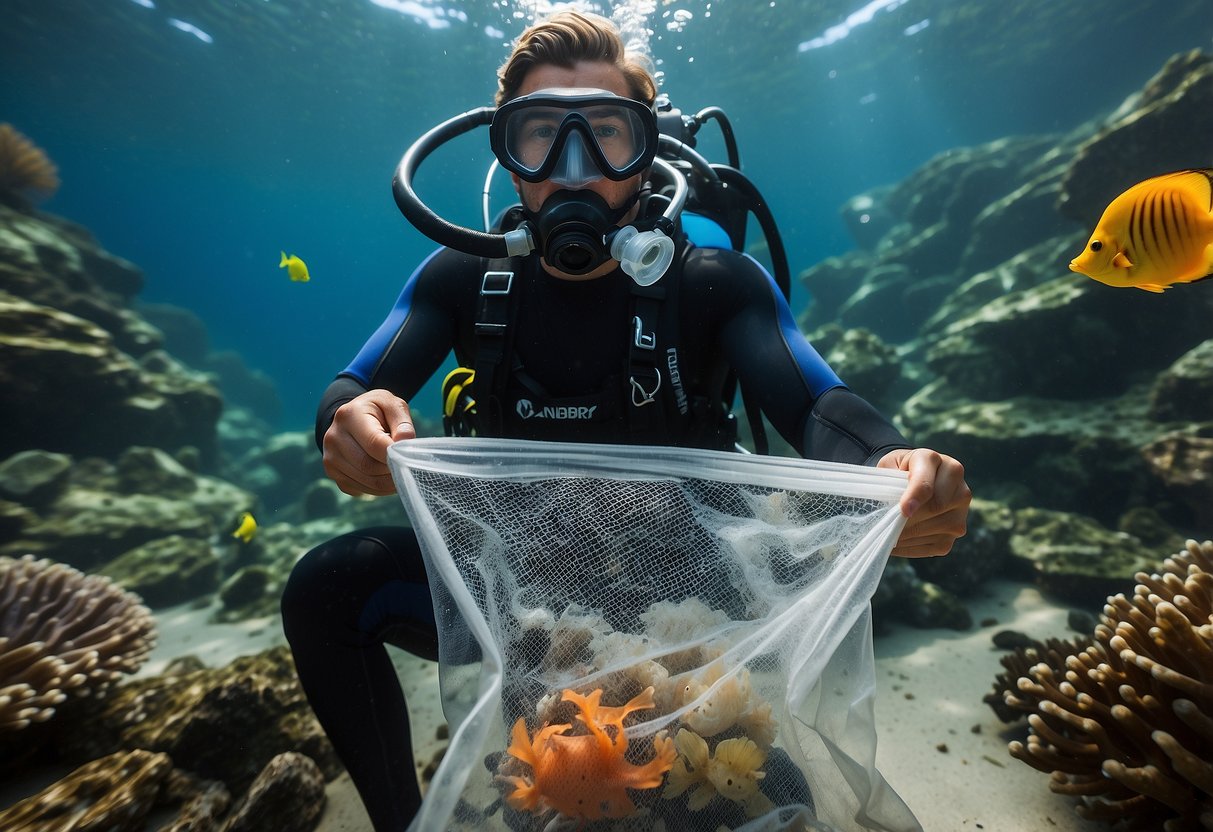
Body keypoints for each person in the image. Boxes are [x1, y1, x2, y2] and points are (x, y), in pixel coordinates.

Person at [281, 10, 971, 830]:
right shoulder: (464, 277)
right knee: (327, 588)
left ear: (645, 155)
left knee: (740, 798)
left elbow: (817, 403)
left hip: (691, 601)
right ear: (507, 154)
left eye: (607, 134)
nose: (574, 171)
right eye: (541, 137)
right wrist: (348, 420)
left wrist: (893, 461)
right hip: (520, 598)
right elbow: (351, 386)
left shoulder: (713, 278)